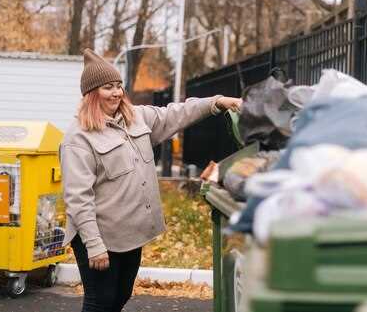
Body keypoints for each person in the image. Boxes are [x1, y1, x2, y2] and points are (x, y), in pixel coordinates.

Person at [60, 49, 241, 312]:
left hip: (130, 233)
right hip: (99, 235)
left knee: (120, 297)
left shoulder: (136, 118)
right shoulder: (78, 138)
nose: (117, 93)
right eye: (108, 87)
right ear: (91, 94)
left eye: (119, 86)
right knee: (99, 303)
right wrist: (94, 245)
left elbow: (176, 113)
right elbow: (78, 198)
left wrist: (218, 102)